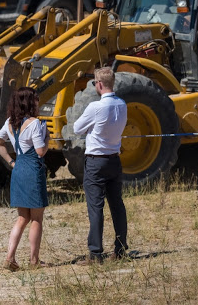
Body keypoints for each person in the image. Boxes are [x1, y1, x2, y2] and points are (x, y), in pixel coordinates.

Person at [73, 67, 128, 264]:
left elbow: (77, 128)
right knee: (117, 205)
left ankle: (96, 253)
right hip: (114, 158)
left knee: (96, 208)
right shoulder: (122, 104)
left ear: (99, 84)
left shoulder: (95, 107)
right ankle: (120, 249)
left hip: (96, 161)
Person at [0, 87, 50, 271]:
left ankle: (10, 257)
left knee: (22, 217)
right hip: (33, 170)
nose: (38, 103)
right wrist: (47, 138)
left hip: (18, 168)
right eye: (36, 99)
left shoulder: (9, 122)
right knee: (36, 219)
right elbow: (40, 152)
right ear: (29, 102)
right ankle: (34, 260)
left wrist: (11, 161)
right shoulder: (35, 123)